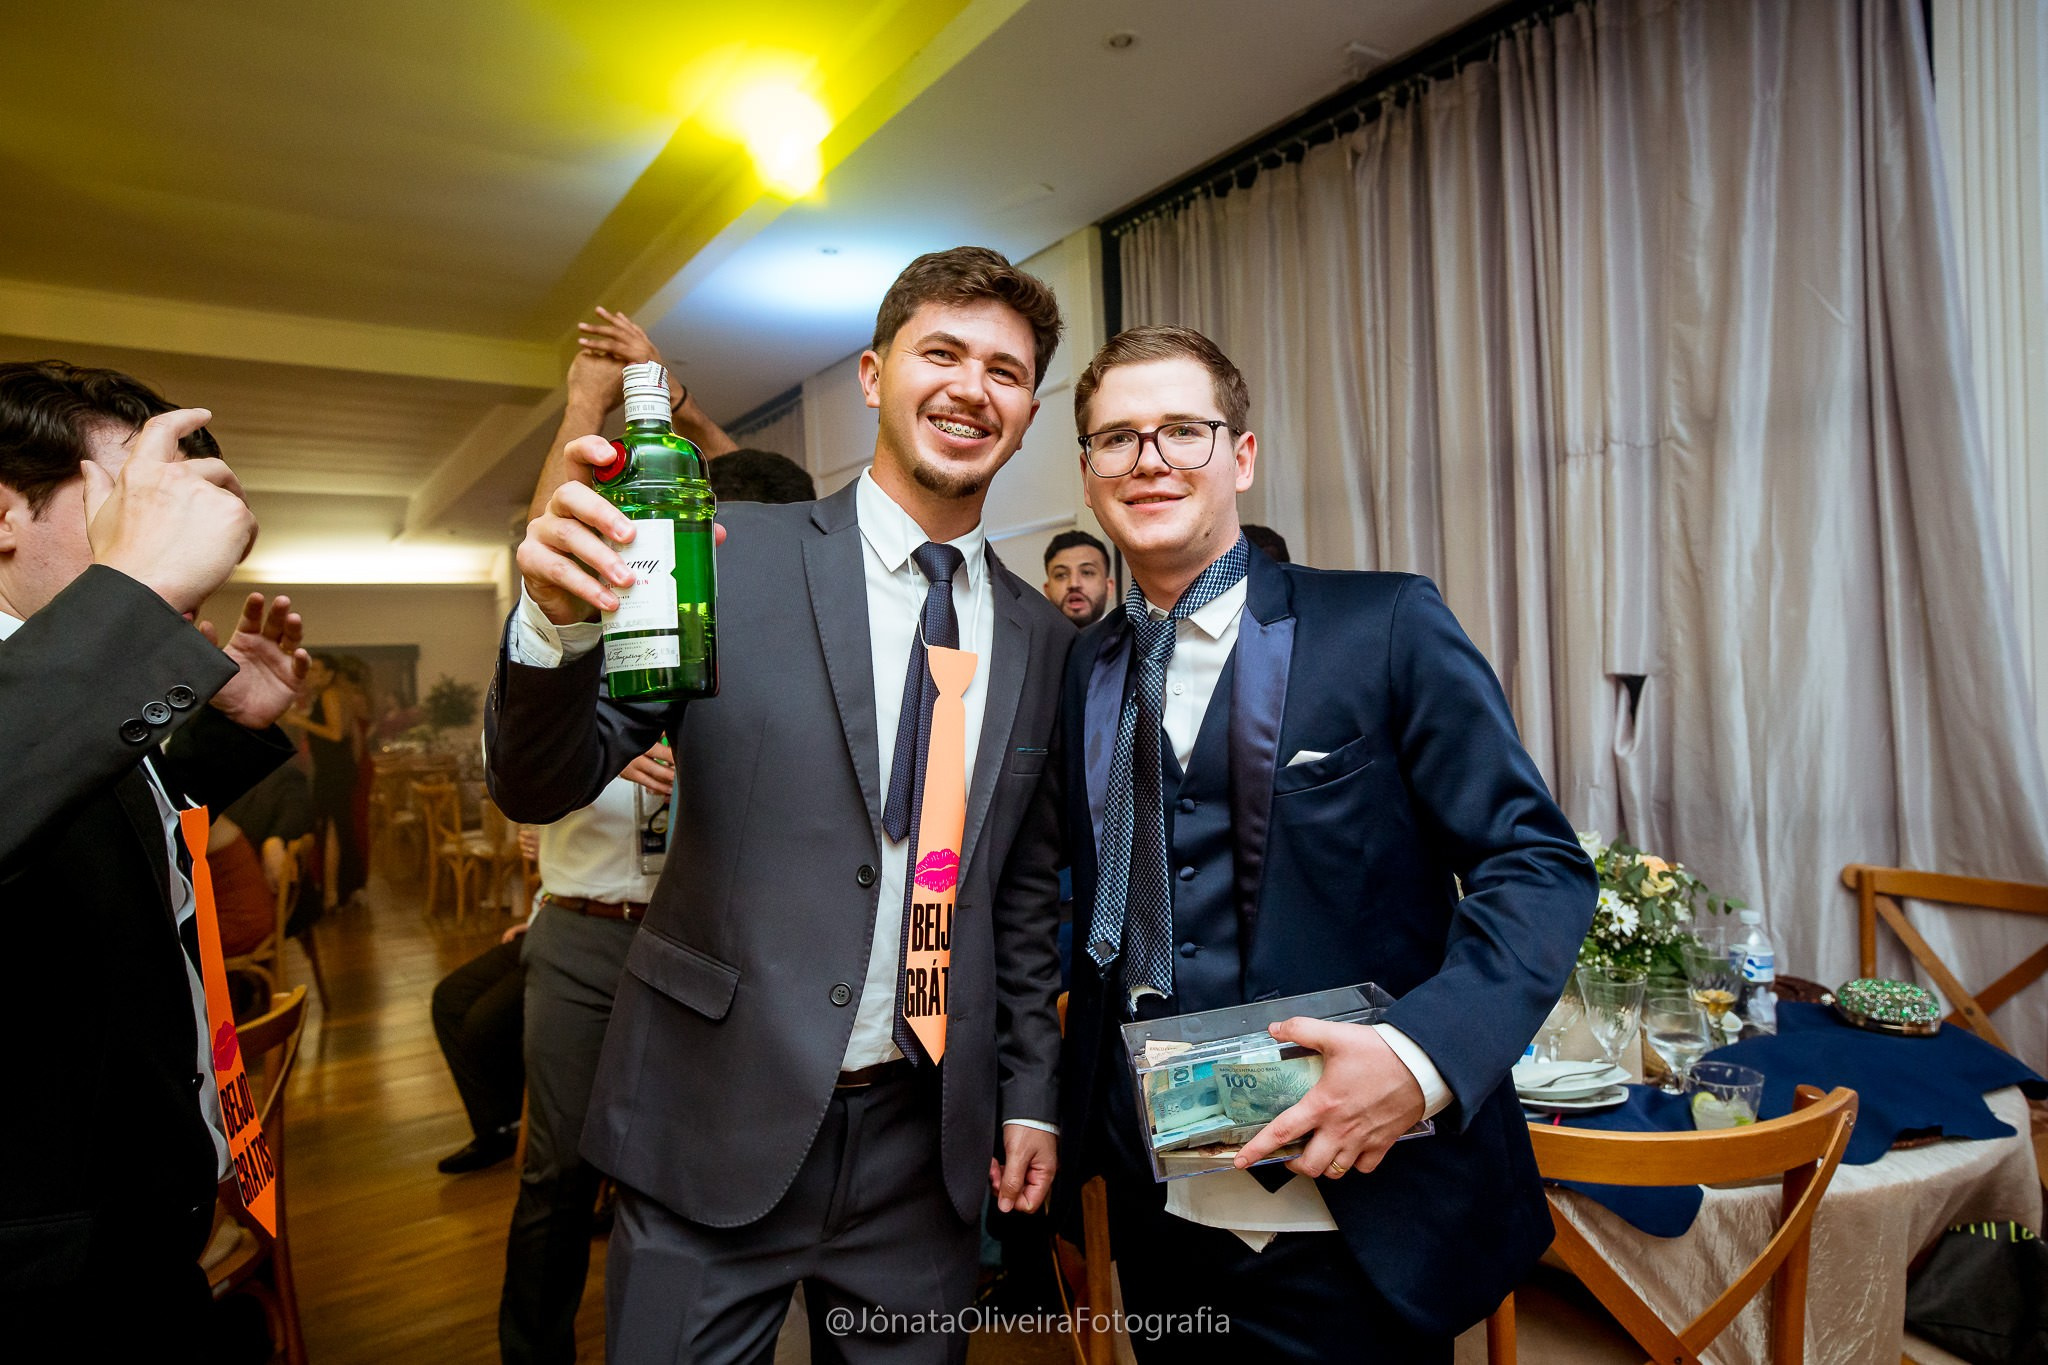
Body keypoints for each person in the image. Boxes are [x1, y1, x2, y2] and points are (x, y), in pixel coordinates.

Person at [489, 246, 1071, 1363]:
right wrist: (555, 626)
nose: (968, 387)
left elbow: (1023, 897)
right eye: (937, 352)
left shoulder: (1041, 634)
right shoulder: (725, 554)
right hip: (715, 1113)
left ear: (1027, 410)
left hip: (924, 1147)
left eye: (1002, 370)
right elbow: (543, 778)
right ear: (870, 375)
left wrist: (1031, 1096)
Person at [1020, 326, 1596, 1361]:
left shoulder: (1382, 623)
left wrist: (1419, 1060)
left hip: (1360, 1205)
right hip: (1159, 1207)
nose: (1149, 460)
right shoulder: (1080, 668)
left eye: (1181, 432)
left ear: (1239, 457)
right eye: (1117, 440)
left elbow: (1535, 864)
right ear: (1088, 475)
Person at [0, 360, 308, 1355]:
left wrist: (226, 736)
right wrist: (129, 592)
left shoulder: (69, 688)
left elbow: (85, 842)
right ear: (6, 512)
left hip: (140, 1225)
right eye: (137, 496)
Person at [1041, 528, 1114, 627]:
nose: (1074, 584)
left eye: (1087, 572)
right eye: (1061, 575)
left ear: (1109, 587)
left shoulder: (1135, 639)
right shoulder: (1030, 641)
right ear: (1047, 591)